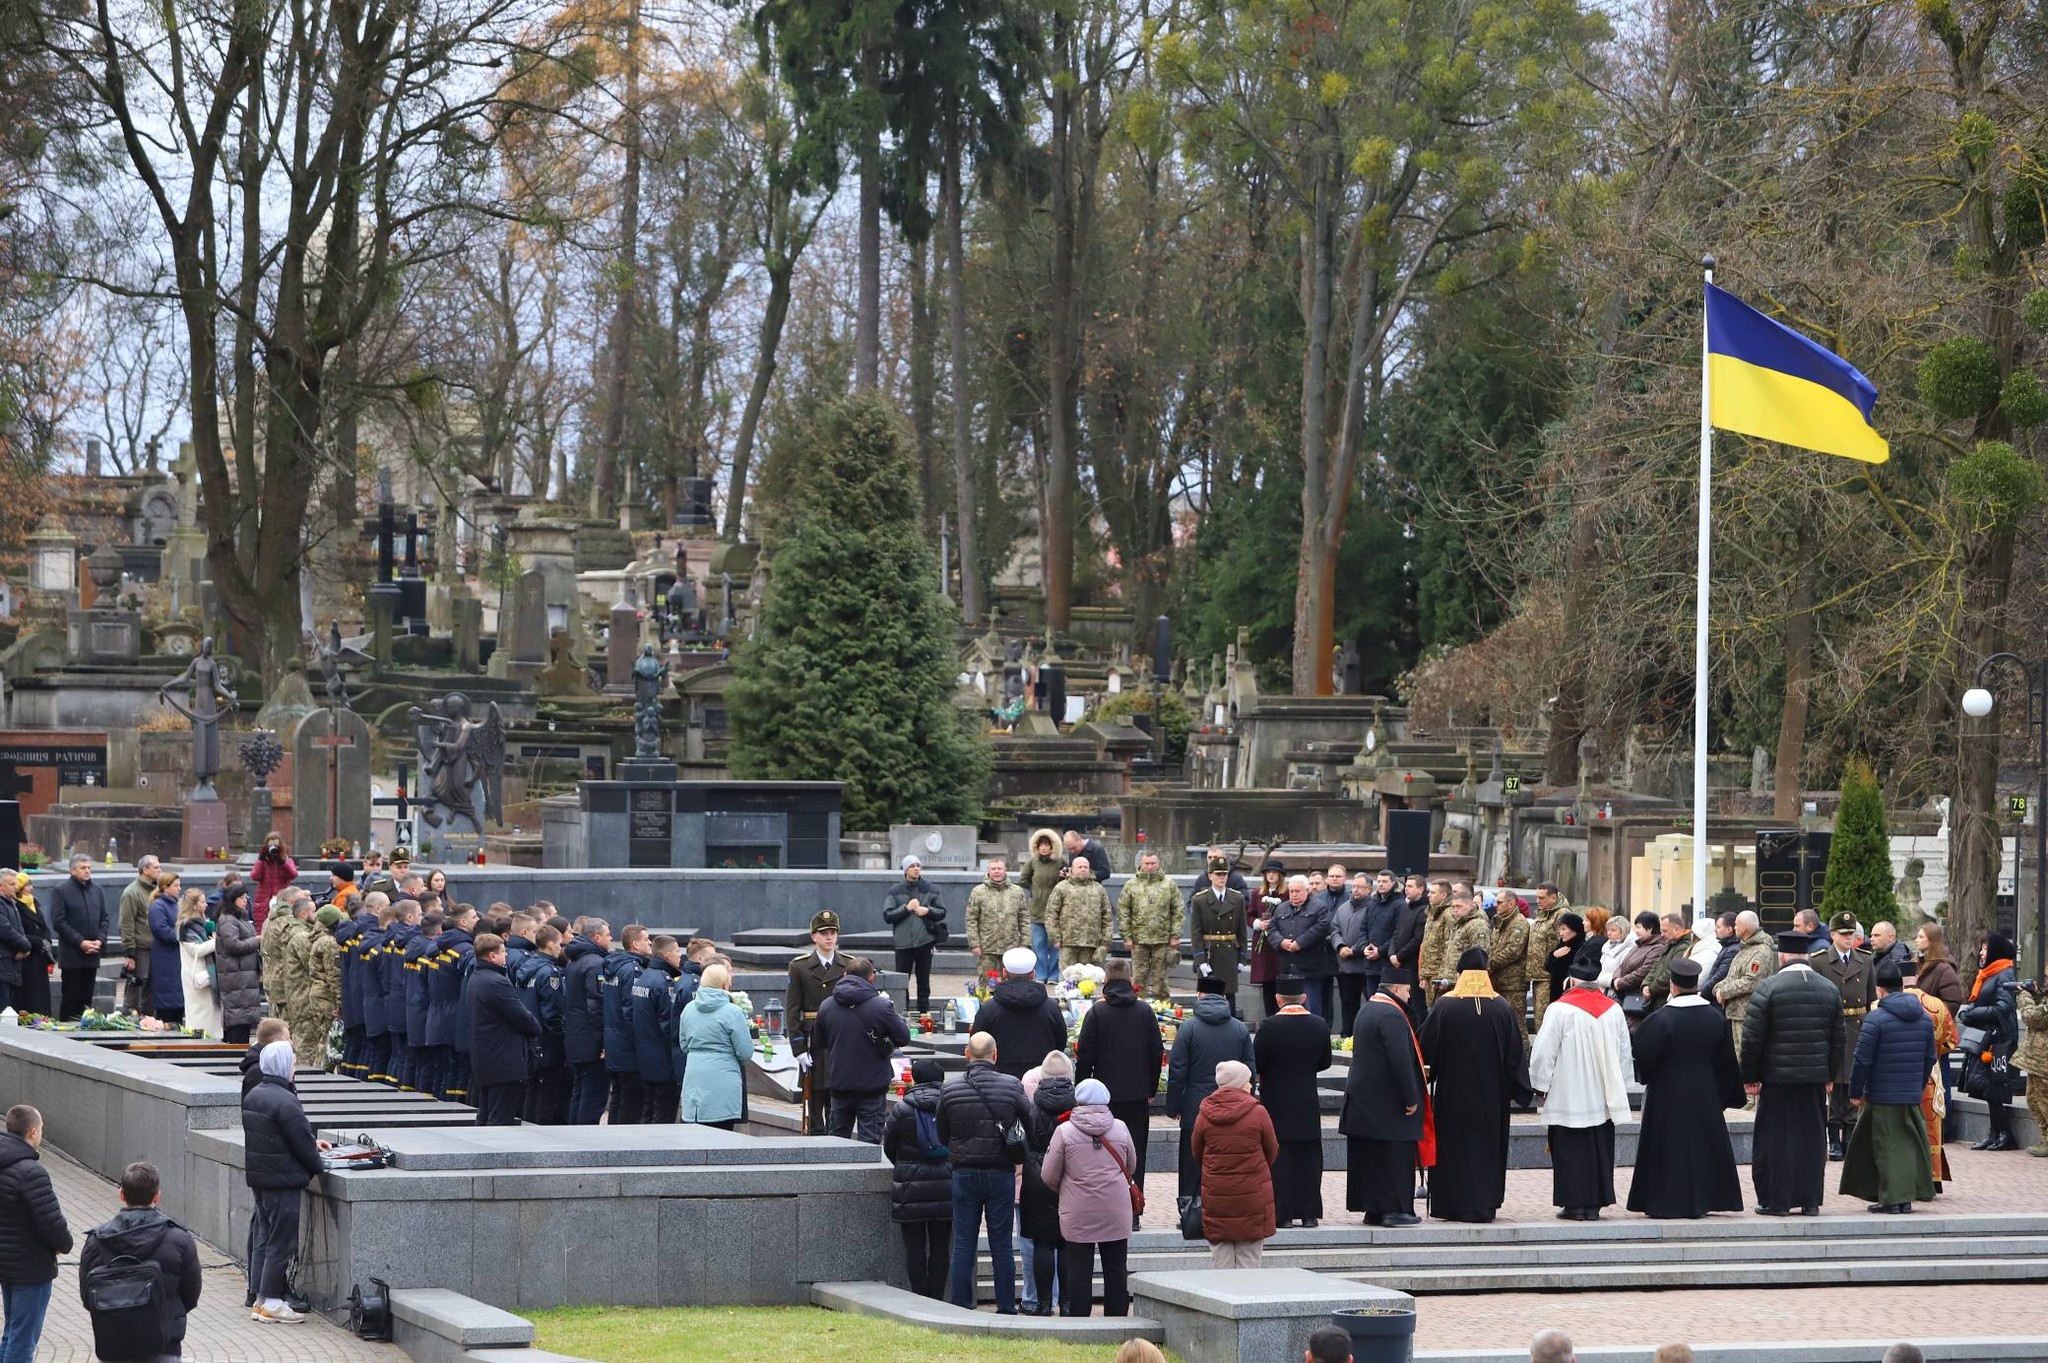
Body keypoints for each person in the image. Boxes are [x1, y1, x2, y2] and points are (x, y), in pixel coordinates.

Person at [1626, 956, 1745, 1218]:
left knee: (1668, 1148)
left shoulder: (1660, 1020)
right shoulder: (1715, 1018)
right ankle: (1706, 1198)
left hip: (1667, 1095)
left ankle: (1666, 1200)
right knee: (1703, 1147)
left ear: (1673, 986)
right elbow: (1727, 1062)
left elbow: (1644, 1058)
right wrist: (1725, 1096)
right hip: (1705, 1093)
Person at [1740, 931, 1846, 1216]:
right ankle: (1810, 1200)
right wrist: (1830, 1075)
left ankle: (1777, 1200)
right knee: (1811, 1139)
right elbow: (1838, 1039)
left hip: (1777, 1079)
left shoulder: (1769, 988)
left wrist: (1749, 1076)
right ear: (1808, 956)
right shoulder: (1829, 989)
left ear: (1782, 956)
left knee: (1775, 1141)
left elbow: (1752, 1038)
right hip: (1813, 1080)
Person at [1419, 946, 1525, 1223]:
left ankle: (1452, 1204)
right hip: (1492, 1096)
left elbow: (1424, 1047)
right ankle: (1484, 1204)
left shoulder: (1444, 1005)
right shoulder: (1501, 1006)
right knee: (1486, 1148)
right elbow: (1515, 1054)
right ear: (1487, 972)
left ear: (1459, 973)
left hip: (1453, 1094)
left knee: (1455, 1147)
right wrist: (1519, 1090)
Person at [1527, 956, 1632, 1220]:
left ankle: (1574, 1204)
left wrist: (1540, 1084)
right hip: (1602, 1093)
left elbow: (1544, 1051)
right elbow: (1623, 1052)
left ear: (1572, 980)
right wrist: (1619, 1086)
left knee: (1570, 1150)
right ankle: (1595, 1203)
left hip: (1568, 1091)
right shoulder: (1614, 1009)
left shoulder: (1559, 1009)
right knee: (1599, 1146)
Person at [938, 1032, 1032, 1313]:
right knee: (1001, 1243)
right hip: (1000, 1171)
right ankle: (1005, 1306)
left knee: (964, 1242)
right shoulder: (1011, 1086)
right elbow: (1029, 1120)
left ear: (967, 1054)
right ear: (995, 1055)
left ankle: (960, 1305)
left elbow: (942, 1133)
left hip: (963, 1171)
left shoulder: (950, 1089)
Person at [77, 1160, 202, 1361]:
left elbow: (87, 1296)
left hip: (113, 1343)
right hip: (164, 1345)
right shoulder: (180, 1240)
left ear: (121, 1194)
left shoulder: (96, 1242)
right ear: (157, 1196)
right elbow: (190, 1294)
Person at [242, 1040, 329, 1324]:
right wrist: (319, 1165)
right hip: (282, 1182)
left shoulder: (256, 1094)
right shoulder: (285, 1099)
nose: (294, 1068)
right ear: (281, 1066)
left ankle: (259, 1299)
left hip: (262, 1179)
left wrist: (312, 1145)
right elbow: (301, 1143)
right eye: (292, 1062)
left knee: (265, 1239)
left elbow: (277, 1137)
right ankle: (272, 1303)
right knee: (281, 1243)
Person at [1841, 960, 1937, 1213]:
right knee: (1906, 1145)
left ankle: (1892, 1199)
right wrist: (1916, 1084)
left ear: (1880, 990)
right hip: (1910, 1093)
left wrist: (1855, 1091)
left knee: (1885, 1147)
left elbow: (1862, 1060)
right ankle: (1905, 1198)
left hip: (1882, 1095)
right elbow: (1929, 1058)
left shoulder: (1876, 1019)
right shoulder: (1924, 1019)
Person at [1040, 1076, 1138, 1316]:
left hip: (1078, 1210)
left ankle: (1079, 1322)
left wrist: (1067, 1188)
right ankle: (1116, 1320)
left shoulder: (1064, 1132)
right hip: (1116, 1209)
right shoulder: (1121, 1127)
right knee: (1116, 1269)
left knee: (1078, 1269)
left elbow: (1048, 1174)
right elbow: (1131, 1165)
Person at [1074, 956, 1164, 1209]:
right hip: (1136, 1094)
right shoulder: (1144, 1011)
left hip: (1103, 1097)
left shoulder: (1097, 1012)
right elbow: (1156, 1053)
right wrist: (1151, 1088)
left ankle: (1105, 1206)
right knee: (1135, 1150)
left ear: (1105, 981)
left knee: (1102, 1151)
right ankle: (1133, 1207)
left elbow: (1085, 1056)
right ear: (1131, 980)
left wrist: (1081, 1091)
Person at [1341, 967, 1427, 1226]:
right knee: (1394, 1157)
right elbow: (1399, 1060)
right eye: (1409, 992)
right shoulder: (1392, 1014)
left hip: (1365, 1103)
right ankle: (1394, 1209)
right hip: (1388, 1105)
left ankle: (1374, 1208)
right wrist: (1411, 1098)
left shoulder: (1368, 1008)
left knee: (1372, 1158)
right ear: (1397, 989)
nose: (1410, 997)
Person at [1167, 973, 1255, 1200]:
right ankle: (1225, 1208)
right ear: (1224, 996)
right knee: (1227, 1161)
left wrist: (1173, 1106)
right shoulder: (1239, 1029)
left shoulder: (1188, 1028)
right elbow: (1249, 1071)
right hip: (1233, 1106)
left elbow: (1177, 1072)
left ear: (1198, 995)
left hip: (1195, 1106)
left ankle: (1189, 1210)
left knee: (1191, 1161)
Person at [1254, 975, 1331, 1228]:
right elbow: (1325, 1062)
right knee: (1308, 1157)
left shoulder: (1268, 1027)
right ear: (1304, 998)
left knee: (1280, 1157)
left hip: (1276, 1101)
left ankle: (1283, 1214)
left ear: (1278, 1000)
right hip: (1307, 1100)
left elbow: (1259, 1062)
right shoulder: (1319, 1025)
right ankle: (1309, 1213)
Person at [0, 1104, 71, 1363]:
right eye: (41, 1129)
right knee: (22, 1339)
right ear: (32, 1132)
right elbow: (51, 1223)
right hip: (30, 1268)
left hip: (6, 1265)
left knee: (12, 1331)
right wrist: (65, 1244)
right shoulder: (31, 1172)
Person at [814, 956, 910, 1143]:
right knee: (870, 1145)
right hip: (871, 1086)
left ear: (844, 975)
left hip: (840, 1084)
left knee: (837, 1144)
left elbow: (820, 1042)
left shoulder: (826, 1006)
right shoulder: (881, 1006)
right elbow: (903, 1038)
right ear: (871, 977)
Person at [1192, 1059, 1278, 1267]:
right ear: (1239, 1083)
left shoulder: (1205, 1113)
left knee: (1221, 1264)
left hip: (1217, 1197)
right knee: (1249, 1264)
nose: (1250, 1085)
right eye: (1248, 1081)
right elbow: (1272, 1150)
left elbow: (1197, 1152)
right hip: (1252, 1197)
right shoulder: (1258, 1112)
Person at [881, 1057, 953, 1300]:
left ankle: (920, 1297)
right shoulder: (951, 1105)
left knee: (914, 1246)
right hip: (947, 1183)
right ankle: (937, 1298)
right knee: (941, 1246)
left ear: (915, 1079)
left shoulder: (902, 1109)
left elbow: (889, 1146)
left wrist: (904, 1164)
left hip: (909, 1186)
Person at [1811, 911, 1875, 1161]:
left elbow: (1871, 999)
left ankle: (1849, 1136)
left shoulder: (1866, 960)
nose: (1849, 938)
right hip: (1832, 1025)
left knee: (1851, 1082)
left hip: (1858, 1026)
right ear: (1832, 935)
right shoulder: (1819, 961)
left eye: (1852, 934)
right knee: (1834, 1083)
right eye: (1844, 934)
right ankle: (1834, 1139)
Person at [1019, 1053, 1077, 1315]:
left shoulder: (1029, 1107)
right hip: (1070, 1176)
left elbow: (1020, 1142)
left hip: (1036, 1176)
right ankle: (1067, 1303)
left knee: (1042, 1242)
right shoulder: (1077, 1107)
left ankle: (1043, 1304)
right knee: (1066, 1242)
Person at [465, 933, 540, 1126]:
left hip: (488, 1057)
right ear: (492, 956)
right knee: (499, 1118)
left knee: (486, 1113)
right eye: (503, 952)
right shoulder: (496, 982)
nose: (506, 955)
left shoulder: (478, 976)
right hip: (503, 1060)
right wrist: (536, 1027)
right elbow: (520, 1016)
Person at [1959, 931, 2021, 1151]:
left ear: (1996, 951)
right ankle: (1995, 1132)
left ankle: (2004, 1134)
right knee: (1987, 1087)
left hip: (2000, 1038)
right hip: (1989, 1036)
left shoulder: (2004, 974)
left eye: (1985, 948)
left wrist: (1974, 1013)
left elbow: (2003, 1008)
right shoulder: (1988, 974)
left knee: (1994, 1086)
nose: (1981, 953)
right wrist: (1972, 1011)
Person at [785, 911, 846, 1134]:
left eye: (833, 933)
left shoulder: (847, 965)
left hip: (839, 1037)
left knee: (837, 1094)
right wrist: (798, 1048)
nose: (829, 938)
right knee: (816, 1096)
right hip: (813, 1039)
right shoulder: (799, 966)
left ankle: (836, 1137)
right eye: (824, 933)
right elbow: (792, 1010)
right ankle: (816, 1138)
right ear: (814, 937)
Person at [678, 962, 752, 1129]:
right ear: (724, 984)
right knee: (721, 1137)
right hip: (723, 1080)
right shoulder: (732, 1011)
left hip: (694, 1078)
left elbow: (684, 1045)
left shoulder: (688, 1009)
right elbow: (745, 1052)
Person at [976, 946, 1067, 1080]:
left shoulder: (989, 1008)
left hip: (999, 1079)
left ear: (1004, 973)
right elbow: (1060, 1042)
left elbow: (978, 1042)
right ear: (1033, 974)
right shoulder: (1051, 1007)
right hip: (1041, 1078)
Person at [516, 925, 570, 1124]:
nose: (560, 948)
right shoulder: (550, 973)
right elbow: (553, 1012)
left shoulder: (527, 967)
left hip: (530, 1038)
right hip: (548, 1040)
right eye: (558, 944)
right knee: (547, 1092)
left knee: (533, 1089)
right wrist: (562, 1035)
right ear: (549, 944)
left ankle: (529, 1126)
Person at [882, 854, 947, 1015]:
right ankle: (901, 1012)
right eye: (912, 866)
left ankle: (924, 1013)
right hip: (903, 944)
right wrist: (906, 908)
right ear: (905, 870)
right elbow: (888, 915)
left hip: (925, 942)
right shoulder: (895, 891)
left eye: (918, 865)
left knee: (923, 980)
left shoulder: (930, 888)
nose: (916, 868)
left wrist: (928, 910)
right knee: (902, 980)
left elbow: (942, 912)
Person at [599, 923, 650, 1125]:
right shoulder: (633, 970)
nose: (650, 943)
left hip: (614, 1040)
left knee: (620, 1096)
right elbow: (632, 1010)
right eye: (646, 939)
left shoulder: (615, 966)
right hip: (628, 1044)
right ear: (635, 944)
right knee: (630, 1099)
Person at [1268, 875, 1336, 1022]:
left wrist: (1300, 943)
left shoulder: (1319, 907)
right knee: (1288, 1011)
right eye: (1291, 891)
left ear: (1307, 890)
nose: (1294, 895)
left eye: (1298, 891)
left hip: (1311, 970)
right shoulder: (1281, 908)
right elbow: (1272, 928)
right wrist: (1281, 942)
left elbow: (1321, 927)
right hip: (1288, 969)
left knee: (1313, 1010)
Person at [50, 854, 110, 1021]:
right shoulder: (61, 891)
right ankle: (67, 1033)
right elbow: (59, 922)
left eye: (89, 868)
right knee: (71, 999)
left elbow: (105, 918)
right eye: (83, 868)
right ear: (72, 870)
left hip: (92, 954)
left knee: (86, 1000)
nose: (87, 871)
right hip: (73, 955)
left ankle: (83, 1031)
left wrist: (100, 939)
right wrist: (80, 942)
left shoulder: (97, 890)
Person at [563, 919, 611, 1125]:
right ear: (597, 937)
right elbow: (597, 1005)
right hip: (590, 1040)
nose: (611, 938)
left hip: (576, 1037)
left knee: (580, 1091)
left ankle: (574, 1138)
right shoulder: (595, 963)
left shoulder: (575, 960)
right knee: (592, 1097)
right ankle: (585, 1143)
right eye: (608, 935)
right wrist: (603, 1042)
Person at [630, 935, 682, 1124]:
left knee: (649, 1109)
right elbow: (669, 1023)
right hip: (662, 1059)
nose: (680, 956)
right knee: (663, 1113)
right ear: (667, 955)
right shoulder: (664, 981)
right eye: (677, 951)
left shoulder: (645, 977)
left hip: (646, 1056)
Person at [1186, 855, 1249, 1008]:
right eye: (1218, 874)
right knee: (1207, 998)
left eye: (1224, 874)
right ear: (1210, 876)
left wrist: (1241, 958)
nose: (1222, 877)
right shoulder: (1199, 900)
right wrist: (1200, 960)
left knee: (1229, 998)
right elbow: (1196, 933)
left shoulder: (1237, 898)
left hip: (1229, 955)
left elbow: (1242, 932)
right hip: (1210, 954)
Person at [1119, 852, 1182, 1001]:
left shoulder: (1169, 884)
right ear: (1141, 864)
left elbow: (1178, 910)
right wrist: (1126, 937)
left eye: (1153, 863)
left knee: (1161, 978)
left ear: (1158, 864)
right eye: (1146, 863)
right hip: (1138, 940)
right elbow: (1123, 911)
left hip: (1162, 939)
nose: (1150, 866)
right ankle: (1137, 1005)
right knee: (1139, 977)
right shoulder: (1131, 885)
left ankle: (1162, 1007)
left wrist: (1175, 935)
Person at [1714, 911, 1778, 1052]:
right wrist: (1718, 988)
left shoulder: (1760, 951)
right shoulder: (1745, 948)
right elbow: (1733, 976)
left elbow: (1751, 981)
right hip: (1735, 1013)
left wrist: (1724, 992)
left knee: (1743, 1057)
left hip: (1746, 1015)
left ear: (1744, 928)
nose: (1734, 928)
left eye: (1736, 925)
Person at [213, 884, 263, 1045]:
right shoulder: (228, 919)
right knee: (238, 1020)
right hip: (236, 977)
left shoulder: (239, 917)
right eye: (241, 897)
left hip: (244, 976)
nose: (245, 900)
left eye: (246, 897)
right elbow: (233, 945)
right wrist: (256, 941)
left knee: (244, 1019)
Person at [1334, 872, 1384, 1034]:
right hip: (1345, 967)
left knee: (1371, 1005)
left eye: (1359, 887)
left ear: (1369, 889)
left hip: (1366, 966)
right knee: (1348, 1005)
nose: (1355, 890)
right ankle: (1347, 1035)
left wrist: (1354, 950)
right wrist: (1340, 946)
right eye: (1353, 886)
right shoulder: (1343, 908)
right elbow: (1333, 930)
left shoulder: (1373, 908)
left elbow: (1370, 934)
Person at [1047, 855, 1112, 970]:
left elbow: (1107, 916)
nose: (1083, 869)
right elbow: (1051, 914)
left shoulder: (1098, 889)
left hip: (1091, 943)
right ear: (1072, 869)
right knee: (1068, 980)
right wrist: (1055, 938)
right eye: (1080, 867)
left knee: (1088, 981)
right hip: (1067, 942)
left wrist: (1105, 942)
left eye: (1085, 867)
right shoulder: (1061, 888)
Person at [1019, 829, 1066, 983]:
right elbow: (1023, 880)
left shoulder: (1060, 862)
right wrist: (1035, 891)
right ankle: (1040, 974)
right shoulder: (1032, 862)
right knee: (1038, 945)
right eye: (1041, 845)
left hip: (1056, 910)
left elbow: (1066, 881)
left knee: (1055, 945)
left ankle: (1053, 975)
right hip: (1036, 909)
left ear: (1053, 846)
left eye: (1047, 844)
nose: (1044, 848)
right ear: (1037, 847)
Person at [964, 857, 1030, 966]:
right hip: (987, 948)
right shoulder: (978, 892)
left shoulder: (1017, 892)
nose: (997, 871)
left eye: (999, 868)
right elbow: (971, 919)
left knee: (1010, 982)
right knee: (988, 982)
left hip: (1011, 948)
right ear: (988, 871)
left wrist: (1025, 943)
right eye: (993, 869)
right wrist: (974, 944)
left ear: (1005, 870)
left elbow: (1024, 919)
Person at [1524, 883, 1572, 1029]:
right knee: (1540, 1020)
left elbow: (1565, 942)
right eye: (1537, 897)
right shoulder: (1543, 913)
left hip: (1549, 976)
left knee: (1545, 1021)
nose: (1538, 901)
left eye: (1541, 898)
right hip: (1538, 975)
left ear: (1553, 897)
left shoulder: (1562, 914)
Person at [120, 856, 162, 1018]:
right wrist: (130, 953)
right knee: (136, 986)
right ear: (145, 870)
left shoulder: (157, 891)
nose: (160, 870)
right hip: (139, 948)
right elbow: (126, 924)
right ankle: (128, 1018)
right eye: (156, 867)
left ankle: (149, 1019)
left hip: (155, 947)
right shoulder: (132, 893)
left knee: (151, 990)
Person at [176, 889, 220, 1038]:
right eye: (202, 901)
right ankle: (198, 1041)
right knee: (199, 1013)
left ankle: (213, 1040)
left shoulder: (206, 922)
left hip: (210, 974)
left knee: (211, 1012)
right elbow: (196, 951)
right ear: (194, 905)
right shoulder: (186, 926)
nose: (206, 904)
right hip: (196, 975)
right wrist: (216, 942)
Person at [145, 873, 186, 1026]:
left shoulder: (177, 904)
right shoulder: (158, 906)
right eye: (176, 885)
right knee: (167, 998)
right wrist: (183, 935)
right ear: (165, 887)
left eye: (179, 885)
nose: (179, 888)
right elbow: (161, 930)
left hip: (176, 957)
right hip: (164, 957)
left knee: (177, 998)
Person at [1488, 893, 1531, 1033]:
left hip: (1513, 984)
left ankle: (1522, 1055)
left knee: (1516, 1024)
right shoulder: (1499, 923)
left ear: (1511, 903)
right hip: (1498, 981)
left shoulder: (1519, 923)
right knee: (1500, 1025)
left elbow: (1513, 951)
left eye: (1500, 902)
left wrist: (1490, 964)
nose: (1496, 905)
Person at [1248, 860, 1287, 1017]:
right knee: (1267, 983)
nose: (1271, 875)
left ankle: (1281, 1016)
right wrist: (1258, 923)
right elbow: (1249, 915)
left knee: (1280, 982)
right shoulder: (1257, 893)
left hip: (1278, 943)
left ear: (1280, 875)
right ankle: (1269, 1016)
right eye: (1268, 872)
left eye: (1274, 872)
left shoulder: (1286, 893)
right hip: (1262, 944)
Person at [2019, 976, 2048, 1157]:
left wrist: (2024, 996)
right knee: (2033, 1099)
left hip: (2044, 1060)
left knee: (2044, 1101)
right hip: (2037, 1059)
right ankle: (2045, 1139)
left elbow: (2033, 1017)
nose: (2045, 980)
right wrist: (2036, 994)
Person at [251, 834, 296, 933]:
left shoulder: (287, 861)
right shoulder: (263, 863)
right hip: (263, 901)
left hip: (281, 900)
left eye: (276, 846)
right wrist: (261, 859)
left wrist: (282, 862)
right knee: (262, 929)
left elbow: (293, 874)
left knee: (281, 929)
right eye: (270, 846)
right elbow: (255, 876)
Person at [1700, 912, 1741, 1000]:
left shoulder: (1732, 950)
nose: (1715, 930)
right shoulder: (1727, 946)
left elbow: (1719, 976)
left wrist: (1702, 993)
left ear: (1729, 930)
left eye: (1718, 927)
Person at [1594, 913, 1629, 992]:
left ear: (1623, 932)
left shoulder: (1627, 949)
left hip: (1614, 991)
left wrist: (1600, 979)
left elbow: (1622, 973)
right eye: (1608, 930)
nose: (1609, 933)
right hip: (1601, 989)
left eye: (1613, 930)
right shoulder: (1606, 947)